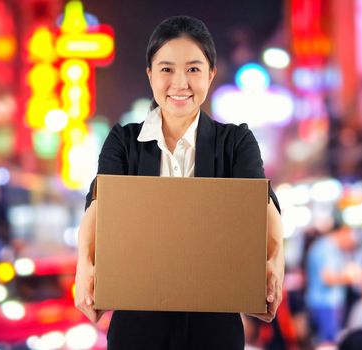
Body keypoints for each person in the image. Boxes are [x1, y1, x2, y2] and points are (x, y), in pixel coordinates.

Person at [74, 16, 285, 350]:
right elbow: (100, 204)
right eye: (167, 69)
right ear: (150, 74)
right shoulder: (124, 141)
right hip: (137, 327)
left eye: (193, 69)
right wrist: (84, 264)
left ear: (212, 74)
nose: (179, 83)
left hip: (214, 326)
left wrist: (275, 260)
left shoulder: (235, 141)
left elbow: (261, 203)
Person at [305, 223, 359, 344]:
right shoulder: (325, 248)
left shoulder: (332, 248)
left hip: (328, 303)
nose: (352, 242)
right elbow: (328, 278)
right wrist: (350, 277)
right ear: (343, 231)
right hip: (324, 304)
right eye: (351, 237)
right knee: (328, 343)